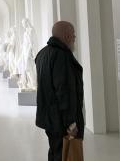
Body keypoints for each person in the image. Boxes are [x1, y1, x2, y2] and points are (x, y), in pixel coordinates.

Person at [35, 21, 84, 161]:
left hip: (49, 118)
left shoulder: (42, 54)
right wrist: (71, 123)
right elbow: (64, 91)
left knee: (56, 151)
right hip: (61, 120)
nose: (74, 37)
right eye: (73, 35)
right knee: (63, 154)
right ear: (66, 35)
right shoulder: (62, 56)